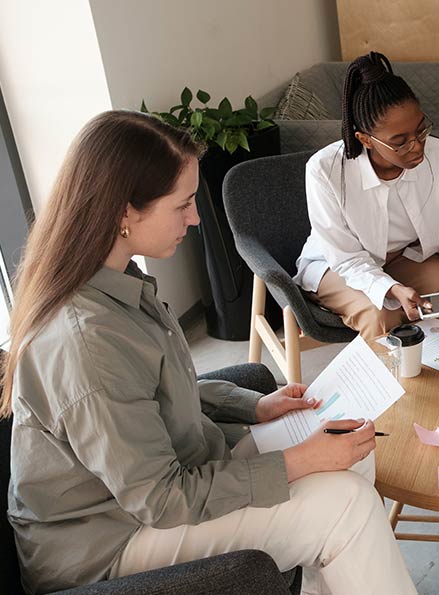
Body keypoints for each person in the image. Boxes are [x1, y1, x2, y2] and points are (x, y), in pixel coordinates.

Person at [4, 110, 417, 595]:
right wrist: (299, 461)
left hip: (164, 483)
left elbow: (157, 394)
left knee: (349, 457)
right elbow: (161, 499)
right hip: (112, 540)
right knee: (346, 505)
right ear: (124, 212)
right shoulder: (86, 341)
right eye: (181, 205)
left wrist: (253, 405)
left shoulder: (117, 284)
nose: (196, 218)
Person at [294, 51, 439, 339]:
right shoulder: (325, 170)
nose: (417, 147)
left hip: (403, 257)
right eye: (400, 142)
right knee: (381, 312)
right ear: (365, 140)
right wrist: (390, 288)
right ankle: (393, 383)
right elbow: (345, 259)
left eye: (421, 131)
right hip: (337, 266)